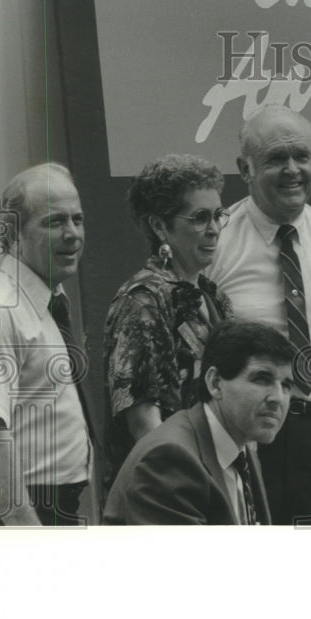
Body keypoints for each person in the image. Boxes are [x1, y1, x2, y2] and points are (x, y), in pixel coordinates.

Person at [208, 105, 311, 524]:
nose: (293, 170)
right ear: (245, 168)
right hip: (241, 434)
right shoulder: (215, 241)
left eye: (302, 157)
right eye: (276, 159)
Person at [0, 163, 93, 525]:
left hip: (50, 506)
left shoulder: (47, 303)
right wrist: (27, 535)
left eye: (77, 220)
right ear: (12, 234)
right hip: (14, 514)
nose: (72, 234)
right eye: (54, 222)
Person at [103, 154, 233, 480]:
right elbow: (144, 423)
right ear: (160, 226)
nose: (214, 229)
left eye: (218, 215)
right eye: (200, 218)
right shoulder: (141, 301)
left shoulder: (213, 295)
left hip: (217, 476)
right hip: (170, 489)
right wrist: (184, 488)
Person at [104, 320, 291, 524]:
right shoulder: (170, 459)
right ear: (215, 383)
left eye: (286, 385)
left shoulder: (241, 444)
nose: (278, 398)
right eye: (262, 379)